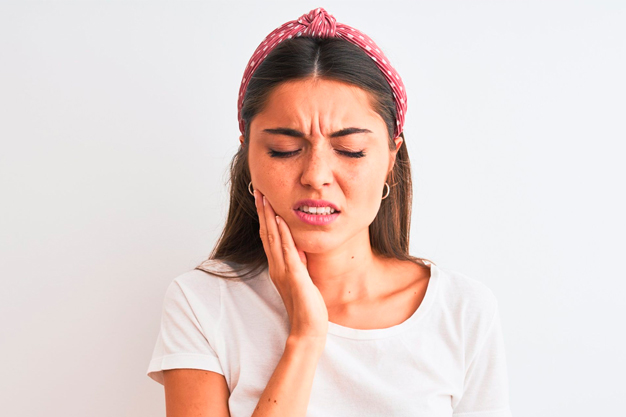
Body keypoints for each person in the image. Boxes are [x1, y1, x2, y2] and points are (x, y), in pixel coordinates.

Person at [146, 7, 512, 417]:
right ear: (248, 153)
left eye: (350, 150)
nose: (316, 175)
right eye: (284, 150)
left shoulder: (461, 311)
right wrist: (305, 336)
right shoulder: (202, 304)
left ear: (392, 155)